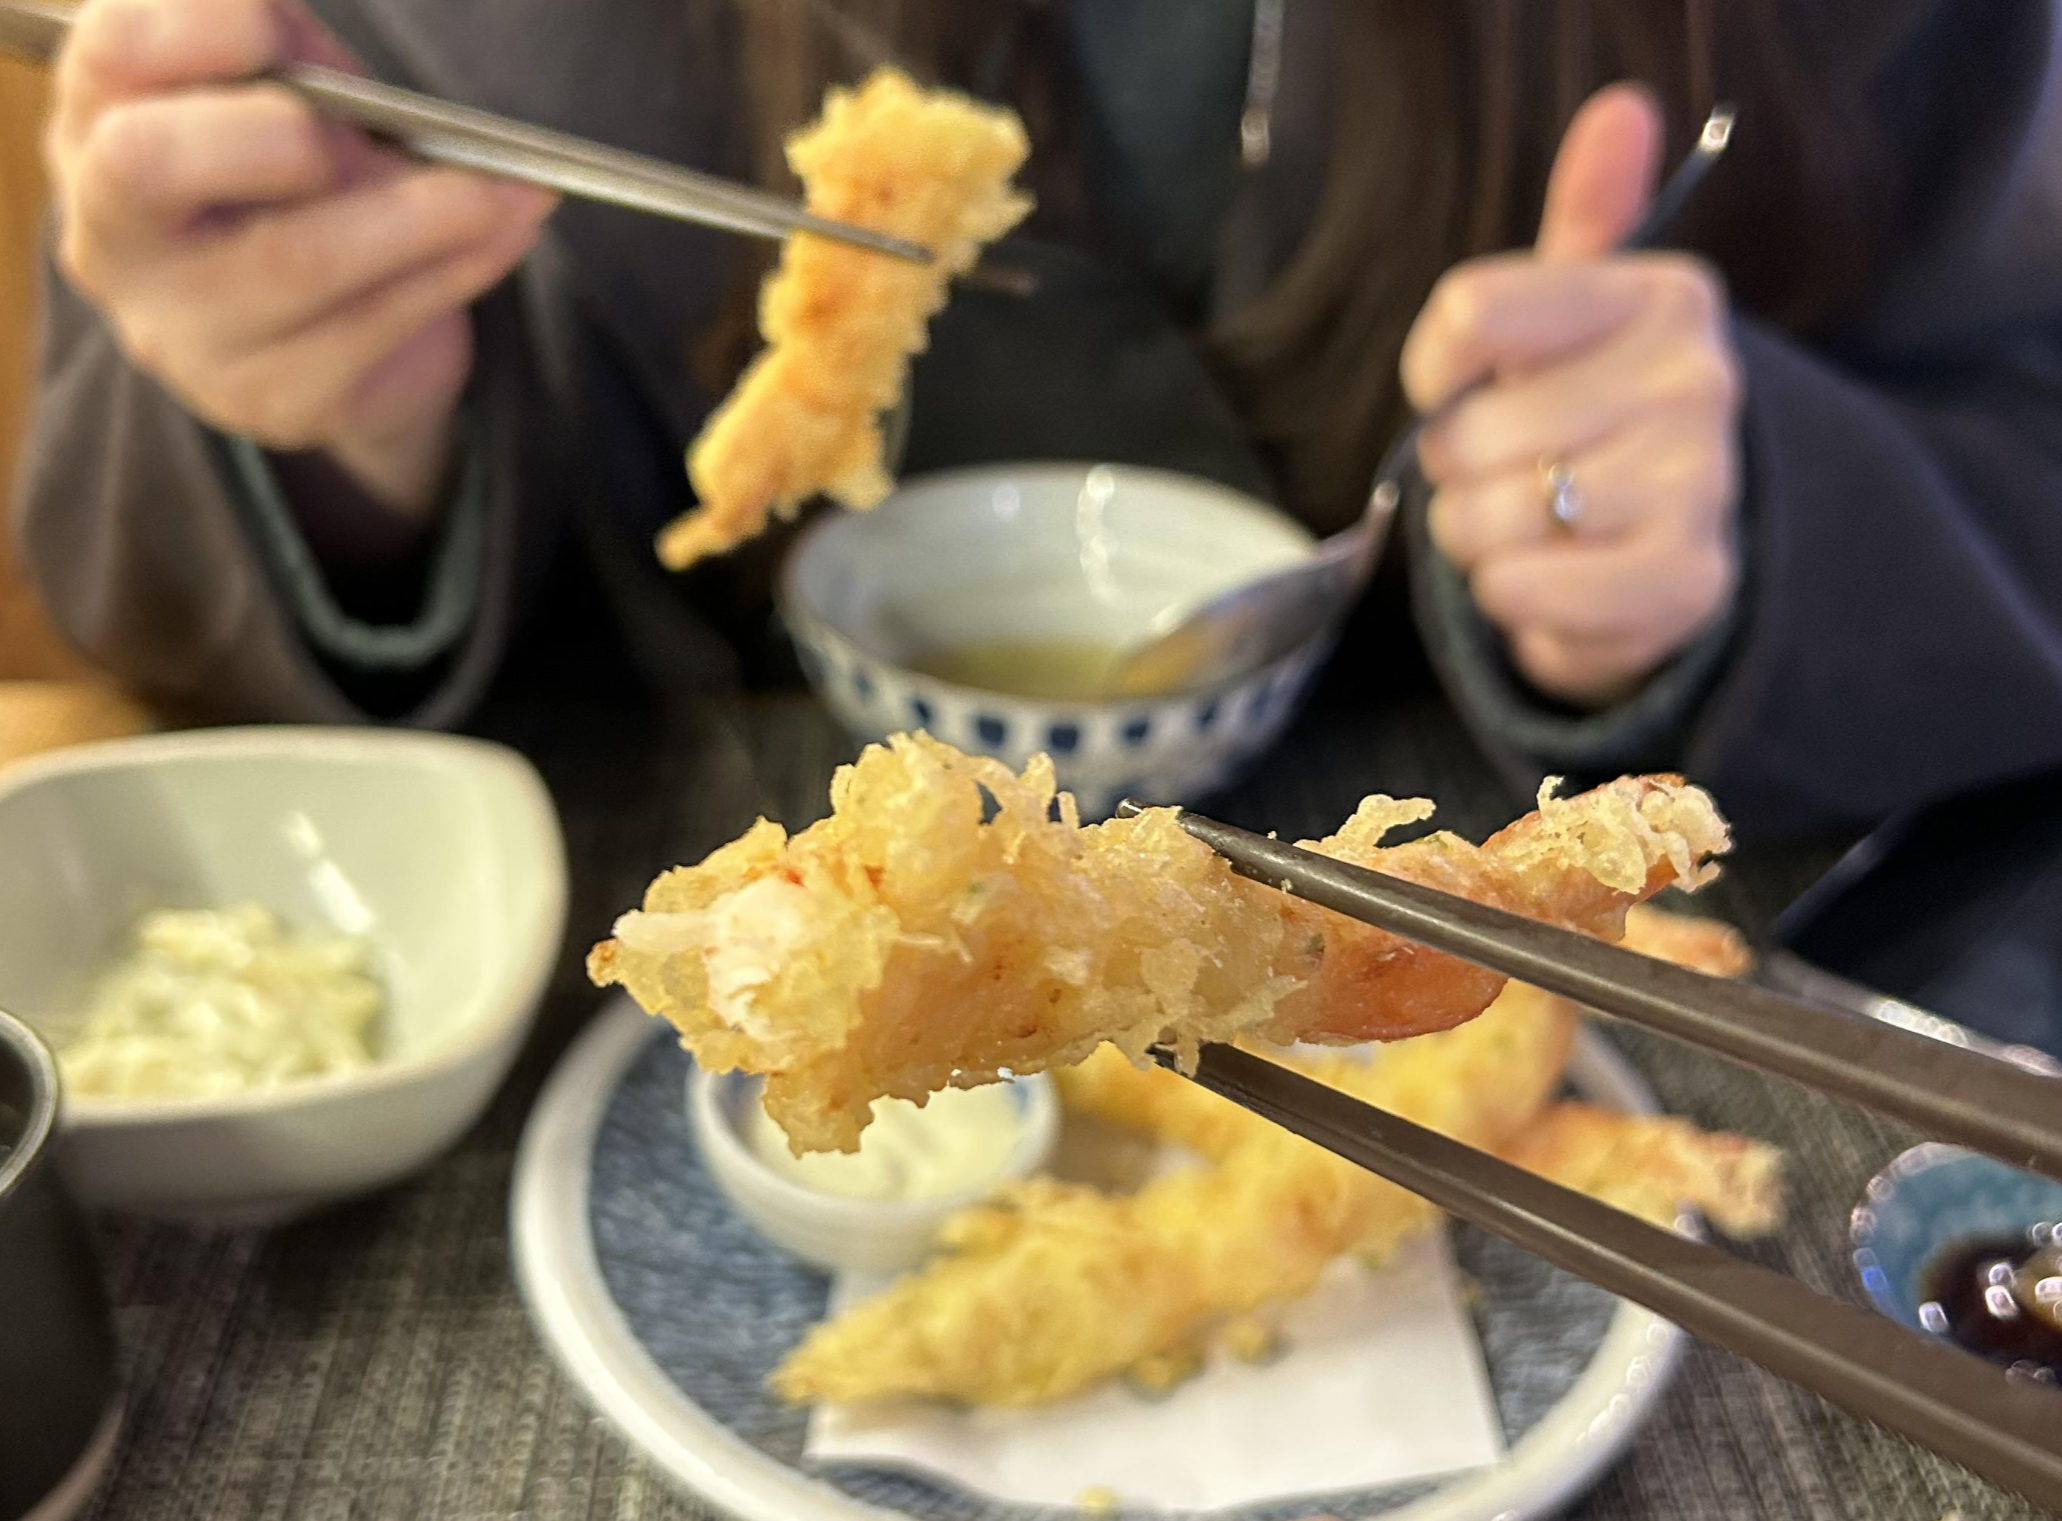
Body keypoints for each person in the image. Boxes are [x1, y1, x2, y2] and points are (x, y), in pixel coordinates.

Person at [16, 0, 2062, 836]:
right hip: (663, 956)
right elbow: (143, 601)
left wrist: (1741, 529)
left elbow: (2020, 422)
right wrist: (334, 428)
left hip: (1568, 950)